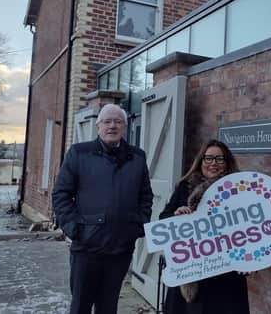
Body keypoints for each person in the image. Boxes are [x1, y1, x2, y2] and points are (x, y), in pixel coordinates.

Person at [53, 104, 153, 314]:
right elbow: (61, 194)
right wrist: (74, 229)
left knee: (108, 306)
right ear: (98, 126)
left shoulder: (137, 157)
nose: (112, 126)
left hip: (120, 248)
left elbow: (145, 197)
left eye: (118, 121)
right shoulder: (79, 153)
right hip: (86, 249)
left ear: (125, 127)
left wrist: (137, 226)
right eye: (107, 121)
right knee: (80, 305)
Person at [159, 139, 250, 314]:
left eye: (219, 159)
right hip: (189, 273)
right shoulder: (184, 187)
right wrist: (176, 215)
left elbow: (251, 229)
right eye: (208, 158)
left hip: (226, 277)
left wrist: (251, 259)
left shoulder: (239, 190)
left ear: (227, 162)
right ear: (200, 161)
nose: (213, 163)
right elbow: (163, 218)